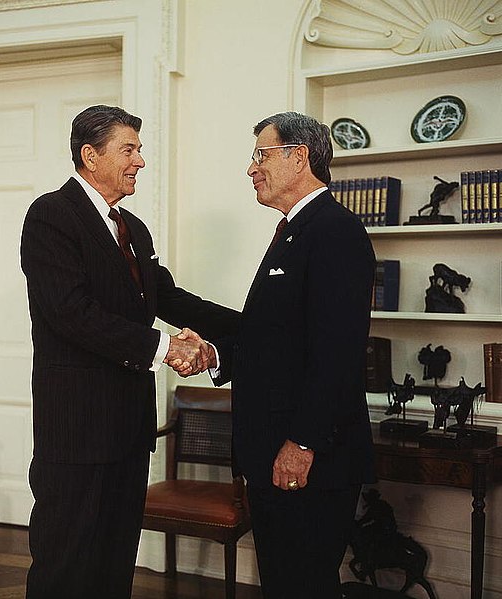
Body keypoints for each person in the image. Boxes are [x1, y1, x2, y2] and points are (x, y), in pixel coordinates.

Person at [20, 105, 239, 599]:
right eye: (130, 149)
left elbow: (173, 300)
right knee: (66, 564)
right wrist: (167, 348)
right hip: (75, 432)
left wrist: (258, 327)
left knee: (115, 561)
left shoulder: (134, 228)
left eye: (139, 149)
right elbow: (71, 313)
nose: (141, 160)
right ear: (90, 155)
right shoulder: (51, 215)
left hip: (128, 428)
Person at [202, 112, 376, 599]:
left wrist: (302, 443)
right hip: (274, 452)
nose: (252, 168)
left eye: (261, 154)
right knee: (282, 582)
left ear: (300, 156)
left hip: (308, 457)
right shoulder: (293, 231)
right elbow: (272, 340)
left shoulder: (334, 230)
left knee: (304, 585)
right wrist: (215, 356)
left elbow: (337, 353)